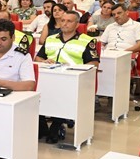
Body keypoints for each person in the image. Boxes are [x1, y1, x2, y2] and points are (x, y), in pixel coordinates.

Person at [35, 11, 99, 143]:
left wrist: (71, 66)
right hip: (50, 78)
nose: (64, 23)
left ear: (77, 24)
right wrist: (44, 61)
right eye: (63, 20)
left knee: (60, 95)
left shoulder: (87, 41)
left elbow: (93, 64)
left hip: (72, 81)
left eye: (69, 21)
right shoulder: (51, 39)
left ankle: (57, 124)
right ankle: (41, 125)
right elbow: (38, 58)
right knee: (35, 94)